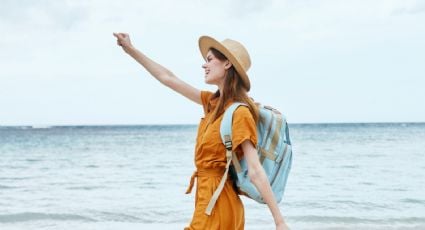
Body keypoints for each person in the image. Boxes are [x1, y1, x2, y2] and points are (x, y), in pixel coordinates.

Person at [113, 33, 289, 230]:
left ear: (227, 64)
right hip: (206, 200)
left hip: (218, 204)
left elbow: (256, 170)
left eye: (210, 60)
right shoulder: (212, 104)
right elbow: (168, 78)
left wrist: (279, 222)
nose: (204, 65)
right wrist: (132, 51)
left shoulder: (240, 113)